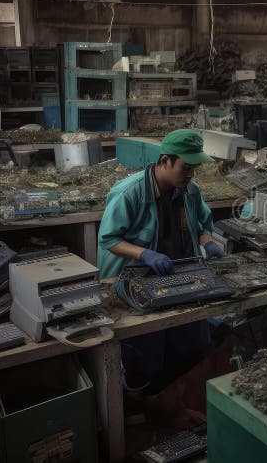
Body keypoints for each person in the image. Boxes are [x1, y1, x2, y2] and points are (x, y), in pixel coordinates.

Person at [97, 129, 225, 392]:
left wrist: (207, 240)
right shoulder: (129, 193)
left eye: (194, 169)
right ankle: (145, 401)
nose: (190, 174)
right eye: (185, 167)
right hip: (135, 280)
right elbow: (109, 239)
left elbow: (203, 223)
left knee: (192, 343)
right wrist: (144, 253)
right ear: (165, 160)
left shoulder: (190, 190)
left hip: (179, 274)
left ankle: (176, 397)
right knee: (147, 353)